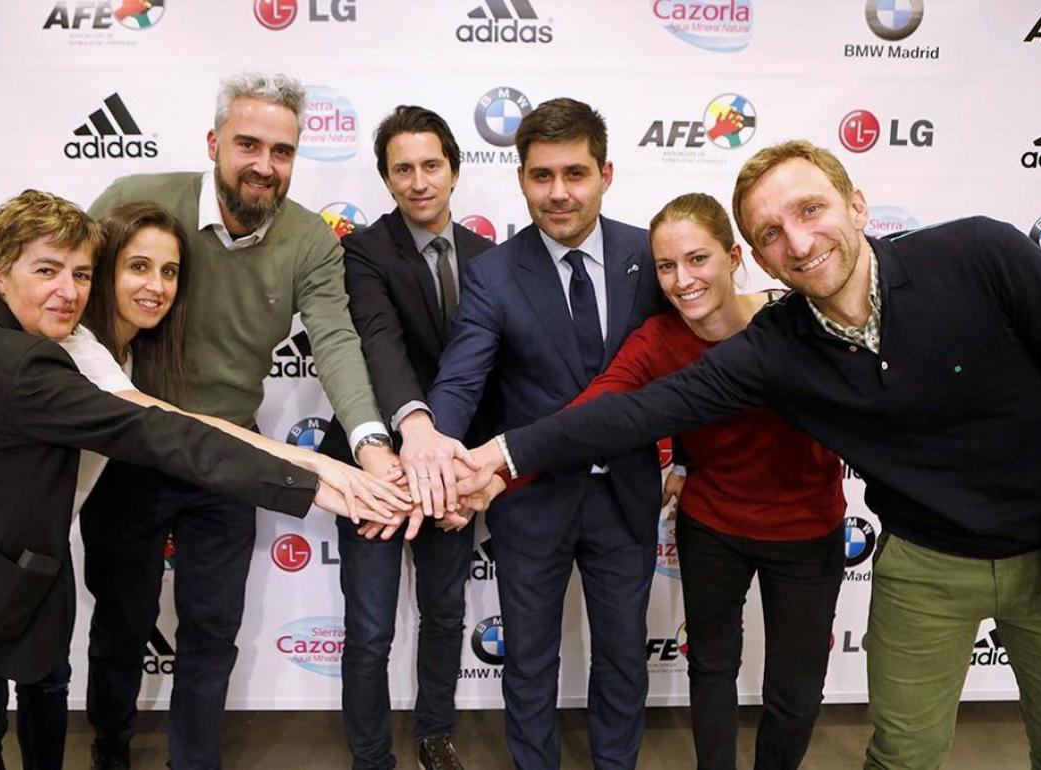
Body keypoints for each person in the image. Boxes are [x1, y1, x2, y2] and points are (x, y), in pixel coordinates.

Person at [470, 140, 1041, 769]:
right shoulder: (776, 346)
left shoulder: (978, 253)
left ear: (857, 205)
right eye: (771, 232)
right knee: (902, 756)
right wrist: (501, 455)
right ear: (761, 255)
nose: (798, 240)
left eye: (811, 209)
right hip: (923, 561)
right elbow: (636, 408)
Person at [0, 189, 396, 770]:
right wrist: (310, 478)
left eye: (80, 274)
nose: (68, 290)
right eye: (47, 271)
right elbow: (156, 430)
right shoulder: (29, 363)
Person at [80, 71, 403, 770]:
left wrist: (372, 442)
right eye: (248, 144)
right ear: (214, 143)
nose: (264, 164)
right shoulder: (134, 199)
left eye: (282, 151)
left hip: (229, 463)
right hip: (130, 449)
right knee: (121, 622)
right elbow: (58, 278)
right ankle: (110, 743)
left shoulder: (310, 239)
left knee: (212, 630)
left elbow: (336, 341)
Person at [497, 192, 846, 769]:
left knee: (797, 690)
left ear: (734, 257)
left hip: (806, 531)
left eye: (697, 259)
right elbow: (594, 410)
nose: (683, 280)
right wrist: (500, 468)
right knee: (711, 670)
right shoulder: (657, 340)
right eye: (665, 266)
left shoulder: (795, 320)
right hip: (712, 527)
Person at [398, 98, 664, 769]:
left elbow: (688, 365)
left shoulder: (649, 254)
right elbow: (461, 380)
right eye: (542, 176)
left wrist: (686, 459)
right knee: (529, 662)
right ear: (521, 179)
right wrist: (432, 449)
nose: (559, 193)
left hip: (627, 496)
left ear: (605, 174)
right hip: (532, 499)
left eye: (575, 174)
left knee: (624, 660)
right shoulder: (493, 274)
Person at [312, 105, 502, 770]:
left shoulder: (489, 258)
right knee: (369, 629)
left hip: (451, 470)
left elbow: (491, 373)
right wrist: (403, 453)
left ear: (454, 169)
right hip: (378, 469)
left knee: (445, 615)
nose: (418, 181)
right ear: (386, 178)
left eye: (430, 165)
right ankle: (370, 758)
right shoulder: (363, 251)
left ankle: (435, 736)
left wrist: (460, 471)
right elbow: (379, 347)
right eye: (403, 169)